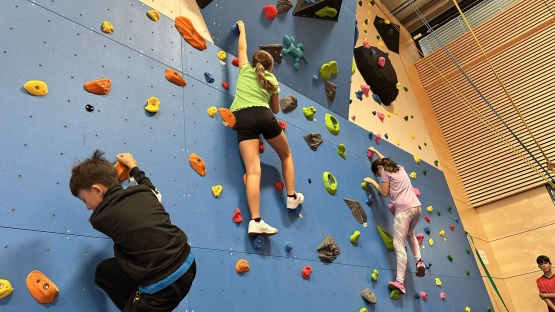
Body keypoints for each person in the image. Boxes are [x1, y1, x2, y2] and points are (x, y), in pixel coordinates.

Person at [69, 150, 196, 311]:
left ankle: (141, 304)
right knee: (105, 272)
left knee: (124, 257)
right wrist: (133, 167)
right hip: (187, 262)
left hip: (164, 287)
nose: (87, 207)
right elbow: (152, 189)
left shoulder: (99, 218)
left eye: (84, 199)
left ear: (98, 190)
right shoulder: (144, 192)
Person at [230, 20, 304, 236]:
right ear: (270, 67)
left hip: (242, 117)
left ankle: (255, 221)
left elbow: (242, 48)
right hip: (264, 114)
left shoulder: (244, 70)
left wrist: (243, 29)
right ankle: (291, 197)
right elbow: (276, 109)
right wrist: (270, 90)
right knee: (286, 154)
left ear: (254, 63)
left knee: (253, 170)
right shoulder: (271, 79)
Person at [363, 146, 425, 294]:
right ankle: (419, 261)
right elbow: (385, 160)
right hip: (417, 207)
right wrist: (376, 150)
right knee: (410, 234)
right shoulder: (399, 168)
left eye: (378, 173)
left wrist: (372, 182)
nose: (380, 176)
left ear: (380, 168)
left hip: (404, 211)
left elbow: (384, 193)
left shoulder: (384, 171)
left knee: (398, 243)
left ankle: (400, 282)